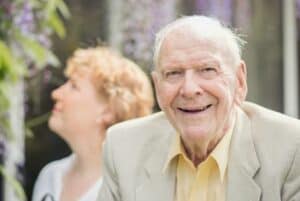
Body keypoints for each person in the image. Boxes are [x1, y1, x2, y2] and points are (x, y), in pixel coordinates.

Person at [97, 16, 300, 201]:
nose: (189, 89)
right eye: (174, 73)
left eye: (207, 70)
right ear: (157, 86)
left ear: (239, 80)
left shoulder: (290, 148)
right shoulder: (123, 147)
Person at [31, 46, 154, 201]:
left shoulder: (129, 190)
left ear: (108, 111)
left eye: (74, 86)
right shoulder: (50, 176)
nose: (56, 93)